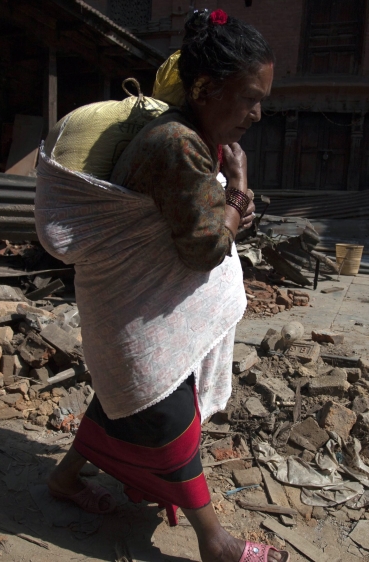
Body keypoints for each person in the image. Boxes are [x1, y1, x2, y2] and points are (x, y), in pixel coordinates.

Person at [40, 8, 285, 562]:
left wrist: (230, 199)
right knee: (168, 420)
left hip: (128, 307)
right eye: (249, 96)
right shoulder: (178, 144)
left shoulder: (187, 136)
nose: (258, 112)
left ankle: (64, 480)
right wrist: (240, 192)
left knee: (121, 402)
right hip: (136, 313)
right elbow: (203, 249)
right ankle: (215, 543)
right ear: (205, 87)